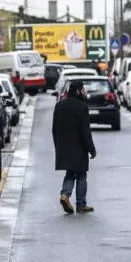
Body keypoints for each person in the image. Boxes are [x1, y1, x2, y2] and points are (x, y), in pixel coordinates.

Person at [52, 80, 97, 214]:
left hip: (63, 146)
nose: (84, 92)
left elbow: (54, 129)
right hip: (79, 148)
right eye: (83, 90)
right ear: (78, 91)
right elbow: (85, 132)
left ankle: (65, 195)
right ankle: (81, 204)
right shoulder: (82, 107)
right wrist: (91, 149)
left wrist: (57, 146)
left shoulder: (59, 106)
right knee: (81, 174)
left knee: (70, 172)